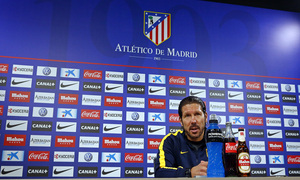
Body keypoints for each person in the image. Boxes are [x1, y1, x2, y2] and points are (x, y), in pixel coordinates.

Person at [154, 96, 208, 177]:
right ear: (181, 121)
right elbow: (160, 173)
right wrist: (189, 173)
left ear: (205, 117)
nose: (193, 121)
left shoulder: (219, 140)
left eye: (197, 114)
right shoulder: (171, 141)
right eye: (187, 116)